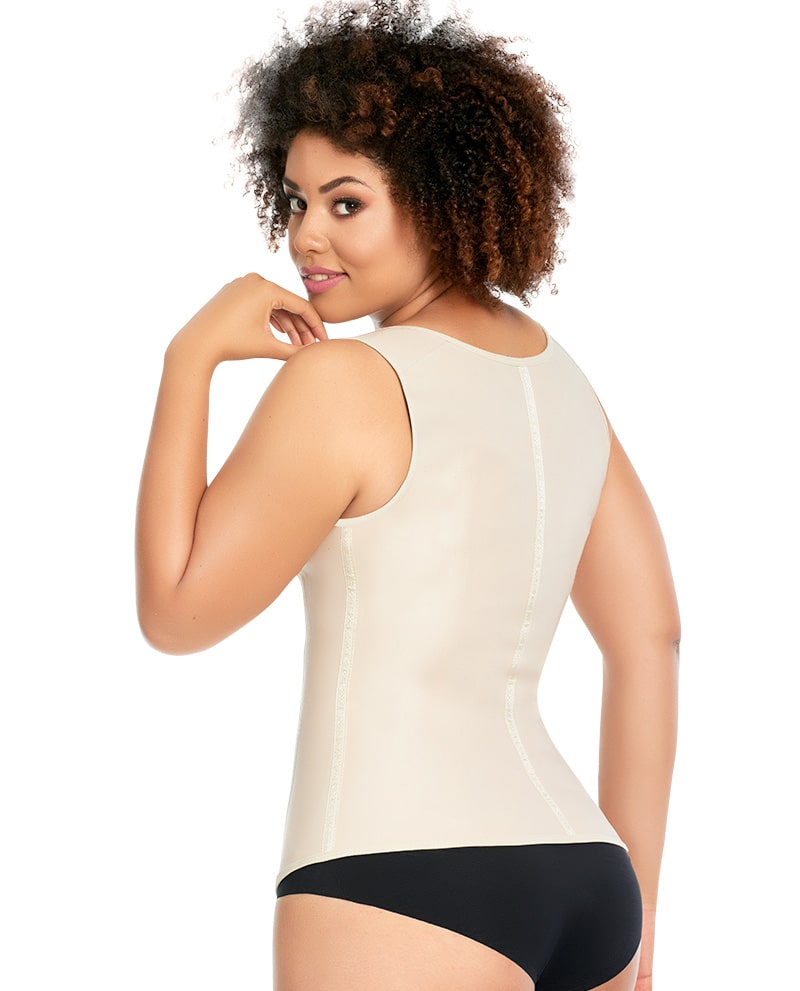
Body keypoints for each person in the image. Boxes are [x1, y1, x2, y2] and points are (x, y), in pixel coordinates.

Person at [136, 2, 680, 989]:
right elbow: (650, 638)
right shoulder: (563, 382)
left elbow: (176, 611)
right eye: (297, 199)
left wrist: (190, 359)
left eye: (346, 203)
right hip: (589, 877)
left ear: (441, 196)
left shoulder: (346, 380)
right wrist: (640, 910)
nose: (306, 235)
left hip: (394, 877)